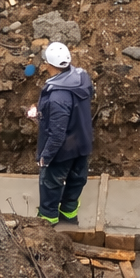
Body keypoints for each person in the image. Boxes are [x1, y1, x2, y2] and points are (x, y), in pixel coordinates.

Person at [34, 42, 94, 226]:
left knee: (50, 182)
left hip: (63, 150)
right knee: (77, 179)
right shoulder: (82, 77)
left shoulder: (58, 97)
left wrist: (45, 156)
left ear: (48, 64)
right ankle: (69, 213)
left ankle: (48, 218)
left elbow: (57, 134)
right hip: (82, 141)